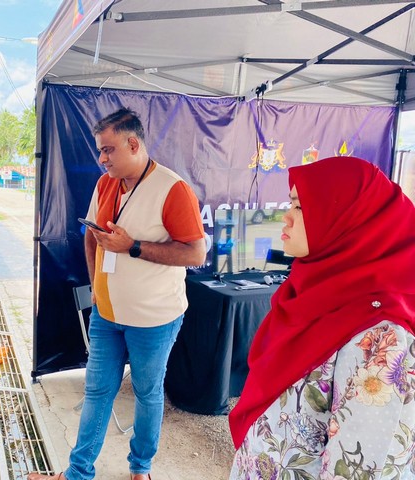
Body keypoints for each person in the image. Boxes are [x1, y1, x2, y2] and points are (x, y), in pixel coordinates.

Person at [28, 108, 205, 480]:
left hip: (154, 320)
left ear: (133, 144)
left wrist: (133, 247)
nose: (102, 158)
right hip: (106, 314)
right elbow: (92, 237)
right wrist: (96, 285)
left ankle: (140, 468)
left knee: (146, 393)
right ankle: (77, 473)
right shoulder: (105, 184)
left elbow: (195, 254)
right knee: (97, 391)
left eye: (108, 150)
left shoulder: (172, 189)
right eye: (99, 150)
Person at [229, 156, 415, 479]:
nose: (286, 217)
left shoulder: (380, 336)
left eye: (300, 207)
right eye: (291, 203)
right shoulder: (309, 295)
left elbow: (358, 470)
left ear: (347, 220)